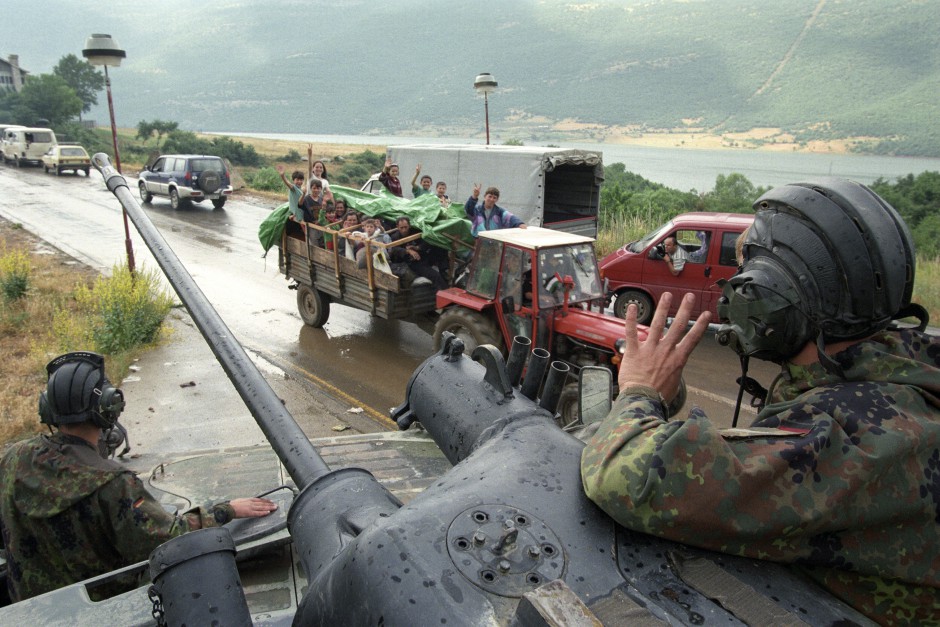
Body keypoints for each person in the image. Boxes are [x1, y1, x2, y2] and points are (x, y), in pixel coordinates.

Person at [580, 178, 939, 625]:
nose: (738, 290)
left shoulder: (857, 438)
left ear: (774, 296)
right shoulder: (900, 377)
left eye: (747, 274)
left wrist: (638, 390)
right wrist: (664, 394)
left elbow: (625, 477)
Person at [0, 351, 277, 602]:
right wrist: (226, 510)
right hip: (102, 614)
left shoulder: (13, 459)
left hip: (29, 610)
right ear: (109, 406)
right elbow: (169, 539)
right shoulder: (112, 484)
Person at [388, 216, 447, 290]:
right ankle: (443, 291)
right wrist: (408, 251)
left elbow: (426, 243)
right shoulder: (395, 237)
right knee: (435, 275)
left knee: (441, 250)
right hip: (411, 263)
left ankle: (445, 272)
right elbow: (394, 249)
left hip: (423, 256)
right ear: (397, 227)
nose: (404, 230)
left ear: (409, 225)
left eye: (406, 227)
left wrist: (417, 248)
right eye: (401, 228)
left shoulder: (415, 232)